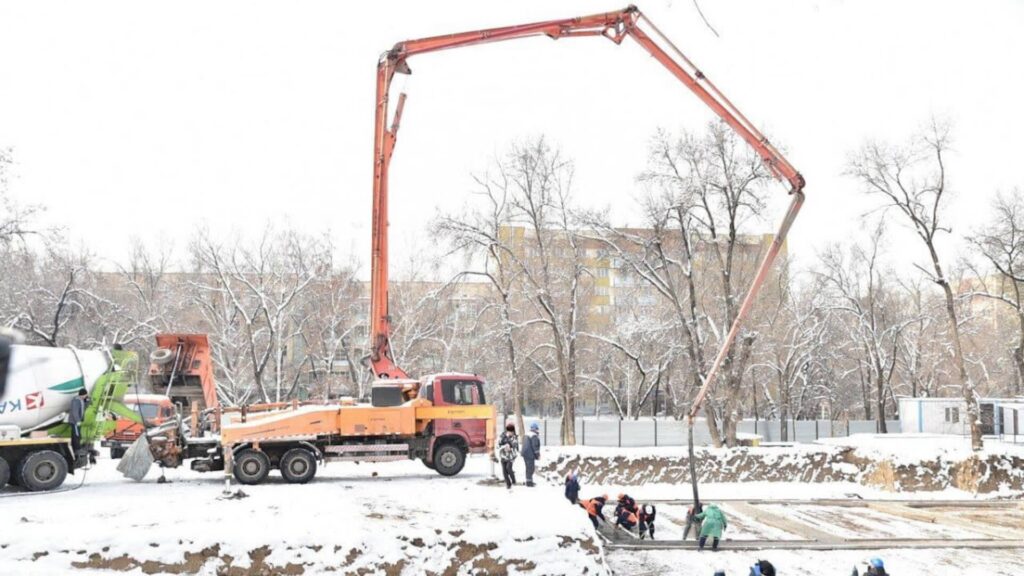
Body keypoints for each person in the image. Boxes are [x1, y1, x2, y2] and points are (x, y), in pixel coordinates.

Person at [497, 423, 519, 490]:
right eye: (509, 431)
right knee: (504, 471)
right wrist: (504, 446)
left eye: (512, 431)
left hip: (511, 456)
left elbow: (515, 446)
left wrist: (510, 447)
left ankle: (514, 480)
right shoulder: (502, 436)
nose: (510, 433)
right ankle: (508, 484)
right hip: (503, 456)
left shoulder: (514, 437)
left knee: (508, 468)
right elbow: (498, 445)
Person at [69, 388, 89, 455]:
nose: (86, 396)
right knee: (76, 435)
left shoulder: (81, 400)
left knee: (75, 435)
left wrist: (88, 400)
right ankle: (77, 449)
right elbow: (75, 412)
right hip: (75, 422)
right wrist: (77, 421)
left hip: (77, 421)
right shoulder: (76, 401)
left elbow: (85, 404)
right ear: (83, 395)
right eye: (86, 395)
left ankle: (75, 448)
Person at [520, 422, 541, 487]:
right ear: (535, 429)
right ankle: (529, 483)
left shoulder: (526, 435)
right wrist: (538, 455)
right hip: (530, 454)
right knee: (530, 468)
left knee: (528, 468)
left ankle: (529, 481)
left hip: (525, 454)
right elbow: (535, 446)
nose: (538, 430)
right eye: (537, 429)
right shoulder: (533, 436)